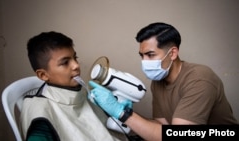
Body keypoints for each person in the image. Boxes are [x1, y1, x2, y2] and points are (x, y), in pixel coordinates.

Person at [88, 22, 238, 141]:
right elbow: (161, 127)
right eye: (142, 55)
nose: (144, 62)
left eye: (150, 55)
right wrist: (126, 112)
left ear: (172, 53)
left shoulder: (200, 79)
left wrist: (123, 114)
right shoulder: (158, 81)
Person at [20, 31, 128, 141]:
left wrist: (121, 112)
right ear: (43, 75)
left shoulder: (84, 93)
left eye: (75, 58)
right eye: (65, 62)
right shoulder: (40, 113)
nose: (76, 65)